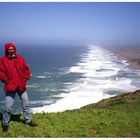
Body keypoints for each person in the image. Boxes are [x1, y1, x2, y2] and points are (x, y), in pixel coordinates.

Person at [0, 43, 38, 132]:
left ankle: (28, 120)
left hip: (21, 85)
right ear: (6, 50)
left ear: (14, 49)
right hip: (10, 86)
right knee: (8, 107)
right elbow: (1, 73)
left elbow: (26, 69)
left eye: (12, 49)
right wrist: (7, 80)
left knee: (26, 104)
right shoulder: (2, 60)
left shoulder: (20, 58)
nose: (11, 50)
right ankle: (5, 124)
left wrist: (25, 78)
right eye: (9, 49)